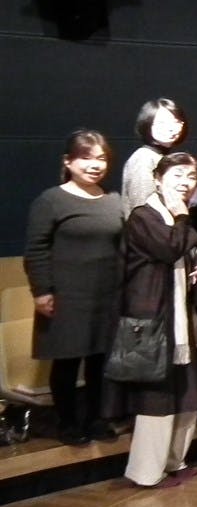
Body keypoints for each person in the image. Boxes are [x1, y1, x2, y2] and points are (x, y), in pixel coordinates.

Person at [115, 152, 197, 486]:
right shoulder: (143, 216)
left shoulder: (186, 216)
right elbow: (169, 247)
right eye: (177, 176)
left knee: (187, 393)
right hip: (153, 318)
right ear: (158, 179)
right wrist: (183, 217)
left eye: (191, 177)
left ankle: (176, 460)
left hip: (182, 317)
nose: (185, 183)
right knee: (157, 398)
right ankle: (146, 472)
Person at [24, 130, 125, 446]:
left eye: (101, 158)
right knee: (66, 362)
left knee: (100, 362)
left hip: (106, 295)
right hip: (65, 296)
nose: (95, 165)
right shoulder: (51, 200)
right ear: (68, 161)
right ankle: (67, 423)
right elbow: (36, 249)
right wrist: (42, 291)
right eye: (86, 158)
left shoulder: (113, 200)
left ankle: (96, 419)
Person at [121, 98, 188, 210]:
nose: (170, 128)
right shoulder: (143, 158)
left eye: (176, 122)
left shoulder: (162, 157)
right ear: (147, 124)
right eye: (162, 123)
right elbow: (143, 207)